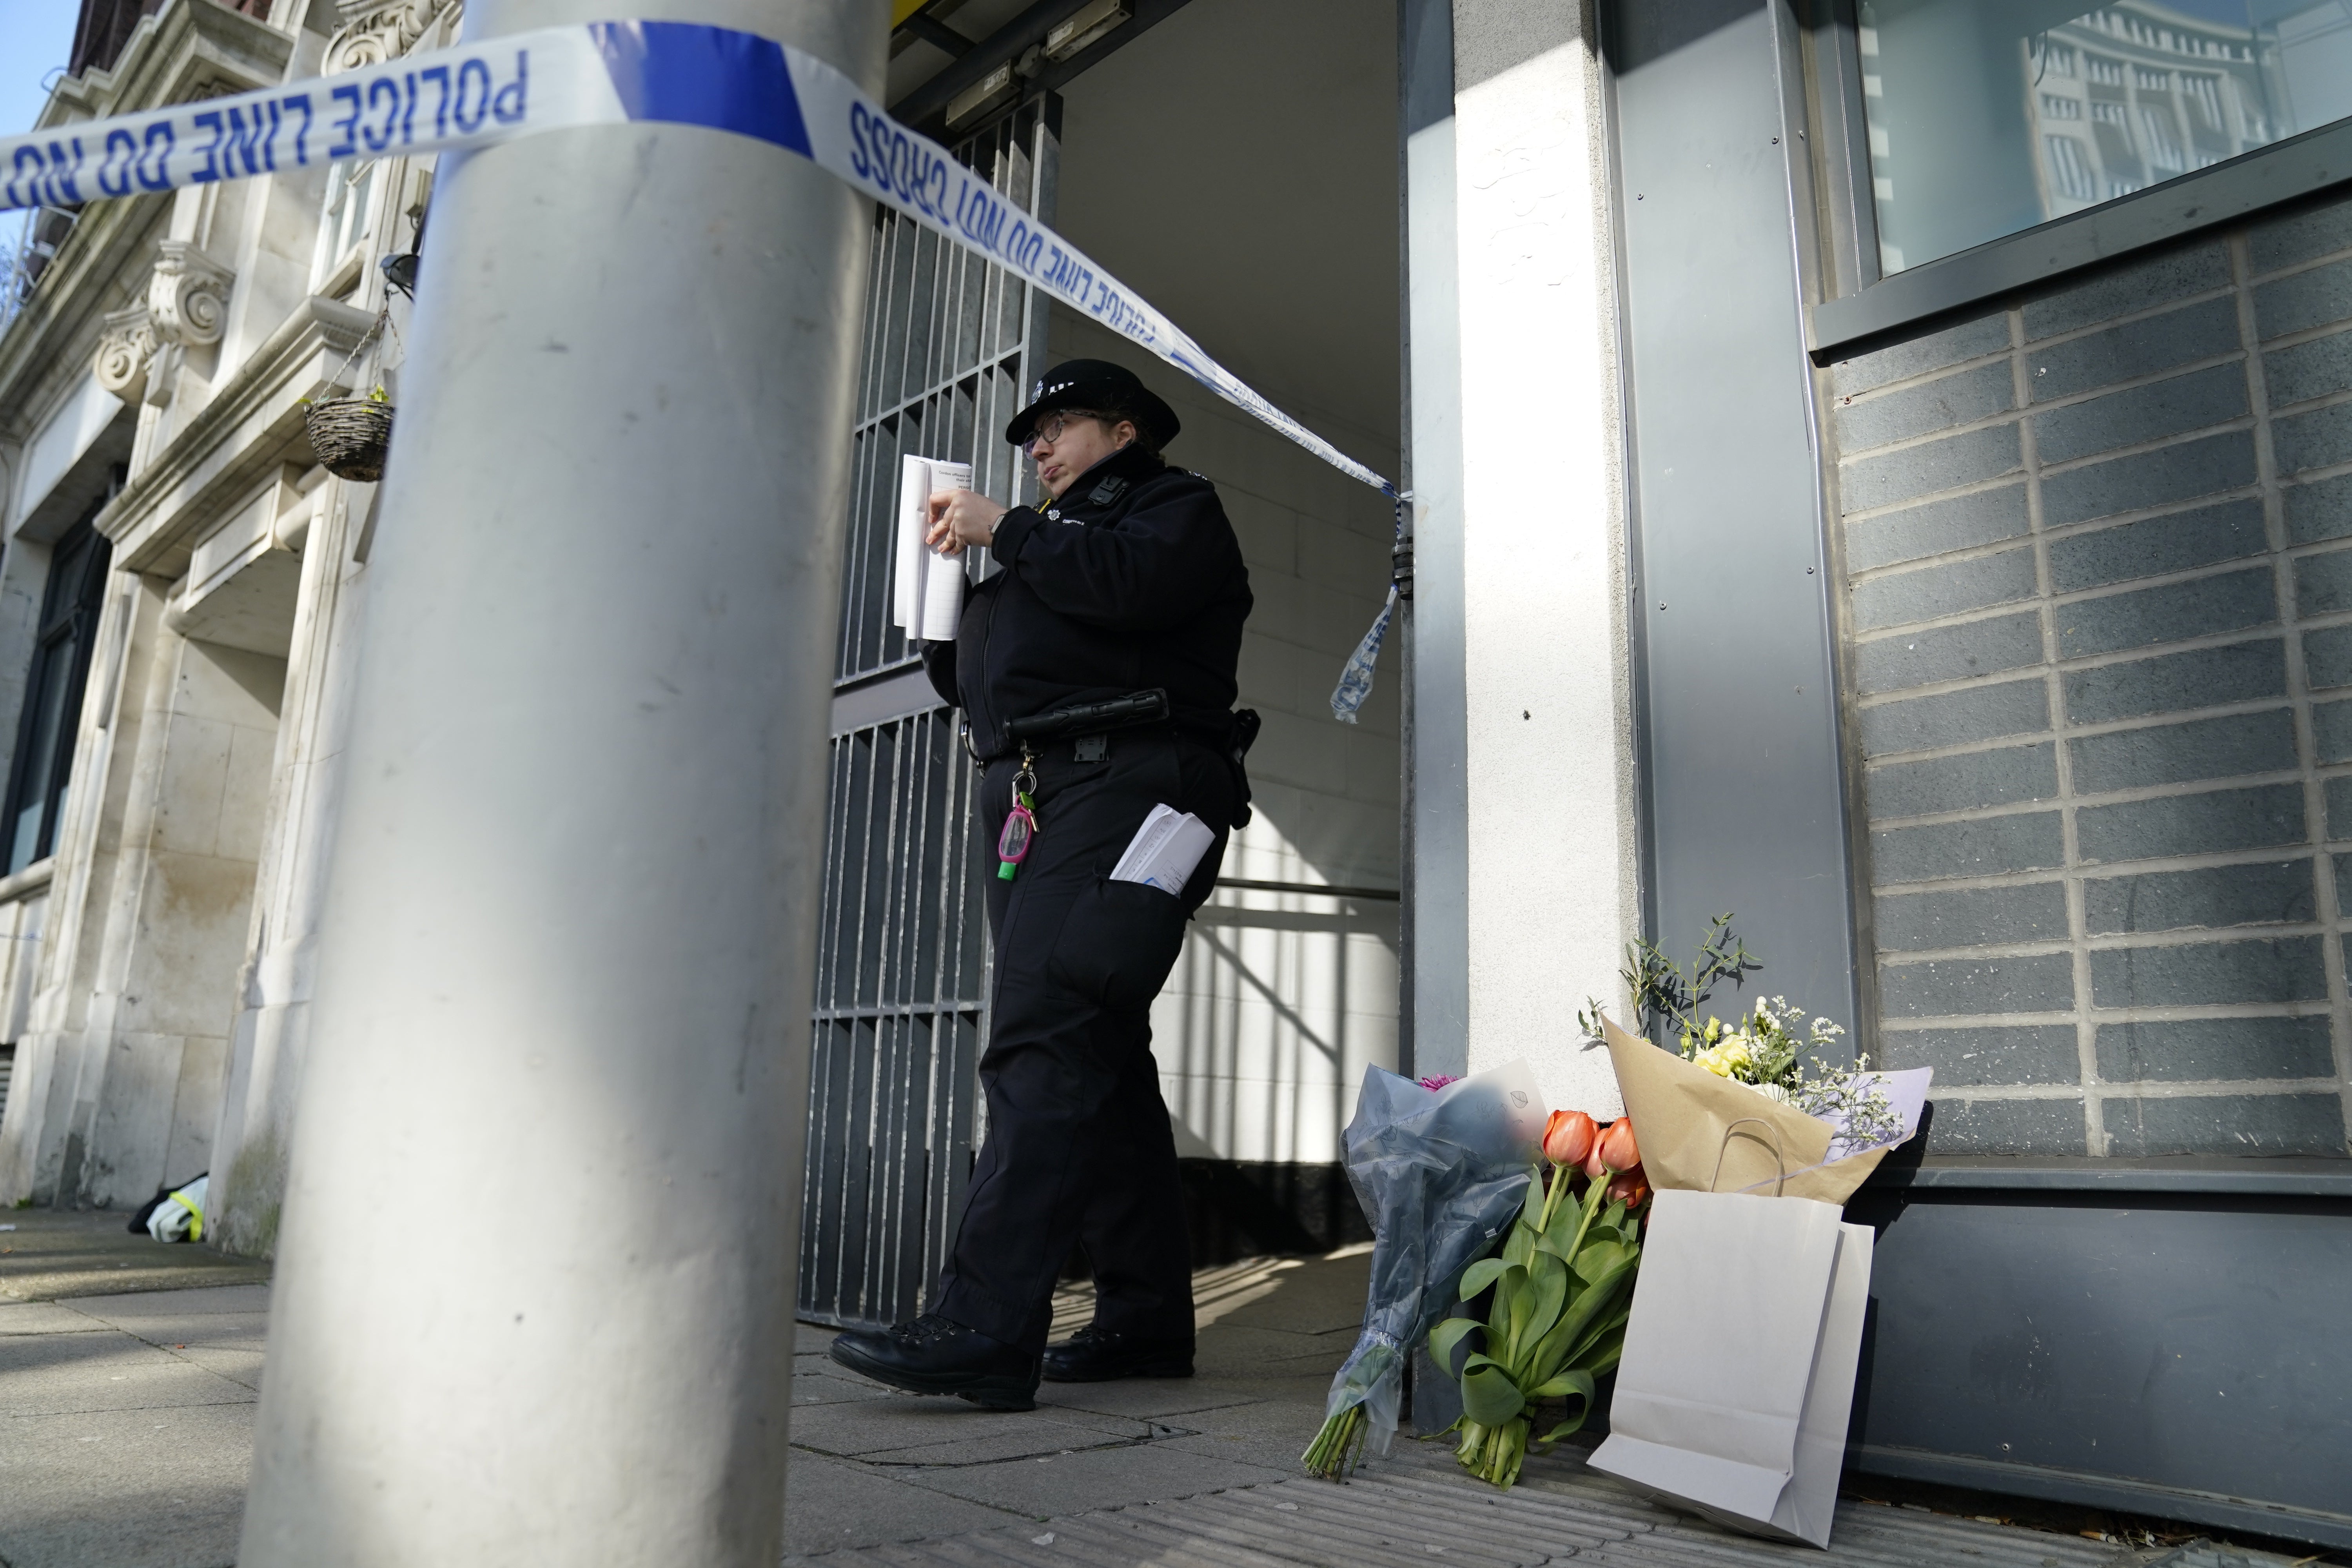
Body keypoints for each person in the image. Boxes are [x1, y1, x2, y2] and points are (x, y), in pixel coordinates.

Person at [828, 359, 1254, 1411]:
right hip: (1039, 794)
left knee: (1046, 1032)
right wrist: (945, 614)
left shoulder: (1170, 507)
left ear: (1122, 430)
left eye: (1059, 425)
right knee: (1095, 1049)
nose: (1039, 446)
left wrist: (1009, 530)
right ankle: (1145, 1320)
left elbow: (1132, 590)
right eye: (1031, 435)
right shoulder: (1040, 548)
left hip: (1135, 782)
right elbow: (980, 679)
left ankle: (982, 1326)